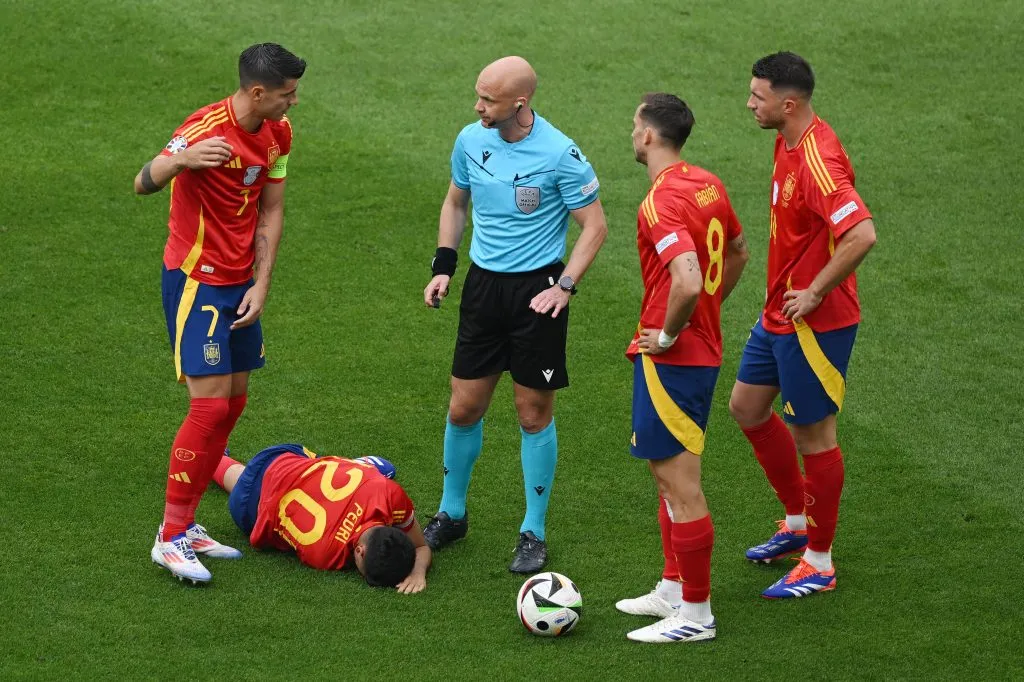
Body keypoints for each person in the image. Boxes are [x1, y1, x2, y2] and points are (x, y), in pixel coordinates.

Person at [421, 56, 608, 573]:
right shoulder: (470, 140)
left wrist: (565, 286)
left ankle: (533, 530)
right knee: (464, 408)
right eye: (478, 95)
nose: (478, 106)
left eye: (488, 99)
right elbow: (456, 202)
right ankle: (452, 514)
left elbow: (594, 227)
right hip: (483, 290)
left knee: (532, 413)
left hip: (537, 294)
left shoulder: (560, 154)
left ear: (519, 103)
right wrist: (444, 265)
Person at [134, 43, 306, 584]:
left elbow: (271, 211)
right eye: (286, 94)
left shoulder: (278, 134)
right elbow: (143, 180)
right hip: (196, 282)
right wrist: (180, 159)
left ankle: (187, 526)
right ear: (258, 92)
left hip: (239, 285)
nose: (293, 102)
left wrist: (261, 284)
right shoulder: (205, 127)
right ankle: (169, 535)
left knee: (234, 404)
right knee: (208, 408)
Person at [730, 52, 877, 598]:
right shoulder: (785, 139)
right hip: (781, 313)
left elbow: (861, 233)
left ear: (787, 104)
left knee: (813, 436)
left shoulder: (818, 160)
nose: (749, 103)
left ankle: (819, 561)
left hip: (817, 322)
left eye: (757, 97)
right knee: (746, 407)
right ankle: (796, 524)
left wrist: (815, 290)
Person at [613, 94, 749, 643]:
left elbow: (689, 281)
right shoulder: (707, 183)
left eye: (633, 124)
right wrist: (707, 312)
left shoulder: (659, 202)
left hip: (674, 358)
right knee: (664, 477)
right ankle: (673, 586)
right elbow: (737, 249)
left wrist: (670, 333)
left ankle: (696, 615)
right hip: (699, 349)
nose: (631, 134)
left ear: (649, 135)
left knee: (680, 482)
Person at [203, 445, 431, 592]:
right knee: (242, 480)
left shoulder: (390, 494)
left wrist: (416, 570)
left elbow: (418, 547)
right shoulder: (326, 555)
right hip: (249, 506)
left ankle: (362, 465)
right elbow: (422, 546)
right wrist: (419, 572)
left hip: (284, 456)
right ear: (359, 551)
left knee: (381, 471)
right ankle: (205, 454)